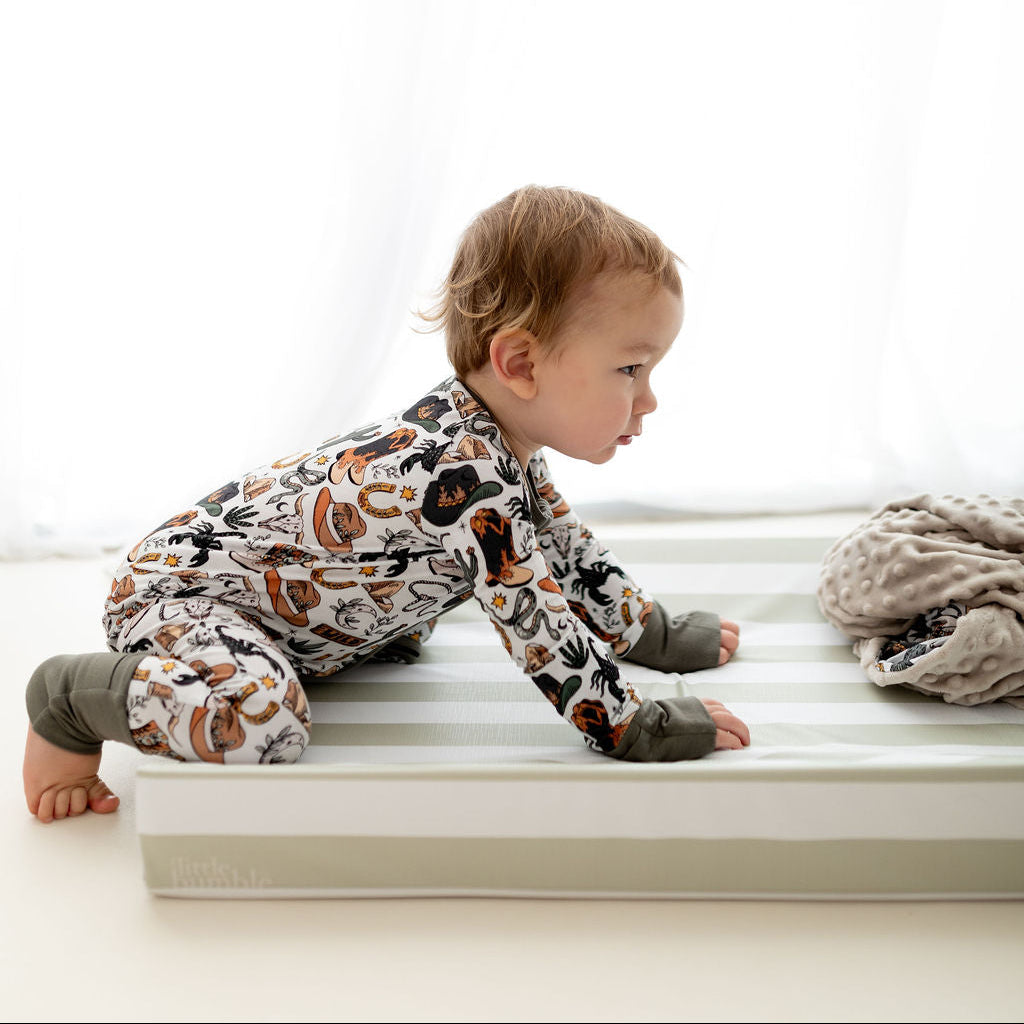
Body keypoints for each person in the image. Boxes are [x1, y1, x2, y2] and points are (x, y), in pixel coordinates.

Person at [23, 185, 749, 823]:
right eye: (631, 368)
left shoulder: (496, 445)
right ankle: (70, 696)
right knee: (264, 726)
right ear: (521, 364)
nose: (648, 400)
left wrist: (647, 632)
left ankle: (332, 640)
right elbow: (539, 625)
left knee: (418, 611)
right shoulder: (460, 474)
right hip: (180, 599)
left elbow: (565, 545)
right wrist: (630, 725)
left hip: (268, 602)